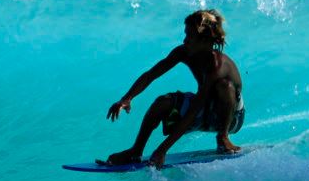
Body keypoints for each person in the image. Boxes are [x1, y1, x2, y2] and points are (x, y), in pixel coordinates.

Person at [100, 9, 244, 169]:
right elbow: (150, 75)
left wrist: (162, 150)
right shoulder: (184, 53)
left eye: (189, 37)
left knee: (225, 86)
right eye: (185, 35)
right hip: (204, 111)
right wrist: (127, 98)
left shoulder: (217, 66)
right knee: (162, 102)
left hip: (231, 117)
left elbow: (194, 111)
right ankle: (136, 150)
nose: (184, 41)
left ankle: (223, 138)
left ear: (205, 40)